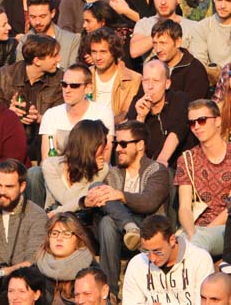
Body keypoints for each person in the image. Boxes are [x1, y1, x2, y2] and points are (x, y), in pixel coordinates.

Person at [79, 120, 168, 293]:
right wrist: (86, 202)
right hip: (115, 238)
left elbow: (149, 202)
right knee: (98, 198)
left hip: (147, 232)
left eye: (123, 144)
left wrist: (121, 195)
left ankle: (109, 291)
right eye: (116, 143)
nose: (117, 148)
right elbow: (100, 201)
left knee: (108, 221)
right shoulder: (113, 173)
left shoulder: (157, 170)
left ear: (140, 145)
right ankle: (129, 227)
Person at [0, 159, 49, 301]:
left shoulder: (36, 215)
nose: (2, 192)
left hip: (26, 285)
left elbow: (32, 262)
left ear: (22, 186)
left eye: (9, 186)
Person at [175, 99, 231, 255]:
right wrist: (193, 233)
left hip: (226, 228)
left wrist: (203, 234)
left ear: (218, 121)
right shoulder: (187, 159)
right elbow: (185, 207)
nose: (197, 127)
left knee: (196, 245)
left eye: (202, 120)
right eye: (192, 123)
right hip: (193, 228)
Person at [0, 34, 63, 161]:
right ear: (37, 61)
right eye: (54, 56)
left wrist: (41, 118)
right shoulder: (3, 76)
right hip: (10, 144)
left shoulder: (61, 79)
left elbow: (62, 116)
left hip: (43, 145)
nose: (59, 59)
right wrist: (8, 113)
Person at [122, 214, 213, 304]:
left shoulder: (200, 260)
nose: (152, 258)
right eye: (146, 251)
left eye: (157, 251)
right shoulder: (136, 265)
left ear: (172, 240)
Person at [126, 59, 190, 165]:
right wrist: (140, 118)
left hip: (175, 167)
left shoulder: (179, 99)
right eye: (146, 81)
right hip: (143, 167)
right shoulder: (137, 103)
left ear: (167, 83)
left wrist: (161, 161)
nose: (150, 87)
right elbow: (131, 147)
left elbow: (177, 131)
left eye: (156, 81)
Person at [40, 118, 110, 212]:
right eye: (103, 142)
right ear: (90, 145)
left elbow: (81, 200)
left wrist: (89, 170)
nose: (107, 147)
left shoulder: (102, 168)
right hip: (56, 221)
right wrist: (88, 171)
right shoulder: (50, 165)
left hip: (83, 218)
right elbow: (66, 200)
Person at [129, 0, 196, 61]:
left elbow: (197, 59)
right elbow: (134, 51)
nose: (163, 2)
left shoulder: (193, 26)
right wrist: (161, 31)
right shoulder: (144, 23)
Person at [34, 212, 97, 303]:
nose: (59, 238)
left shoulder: (92, 272)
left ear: (78, 238)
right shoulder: (36, 270)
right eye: (55, 233)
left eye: (66, 234)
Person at [83, 27, 141, 123]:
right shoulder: (83, 76)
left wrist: (102, 126)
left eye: (103, 52)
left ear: (114, 52)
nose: (98, 57)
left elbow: (124, 114)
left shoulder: (133, 79)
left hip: (116, 132)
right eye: (94, 52)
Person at [18, 0, 79, 69]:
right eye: (33, 17)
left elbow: (72, 73)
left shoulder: (71, 41)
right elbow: (20, 73)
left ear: (52, 13)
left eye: (42, 16)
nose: (37, 22)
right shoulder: (24, 41)